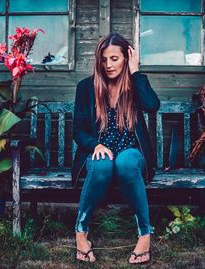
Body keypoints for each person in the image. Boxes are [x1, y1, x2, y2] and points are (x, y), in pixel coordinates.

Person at [71, 33, 160, 264]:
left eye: (114, 58)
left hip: (131, 151)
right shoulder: (86, 88)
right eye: (103, 59)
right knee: (101, 165)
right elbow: (78, 130)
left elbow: (152, 105)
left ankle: (144, 235)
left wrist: (136, 71)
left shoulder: (134, 84)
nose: (108, 65)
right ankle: (81, 233)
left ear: (126, 58)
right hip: (99, 151)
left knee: (126, 163)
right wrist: (95, 144)